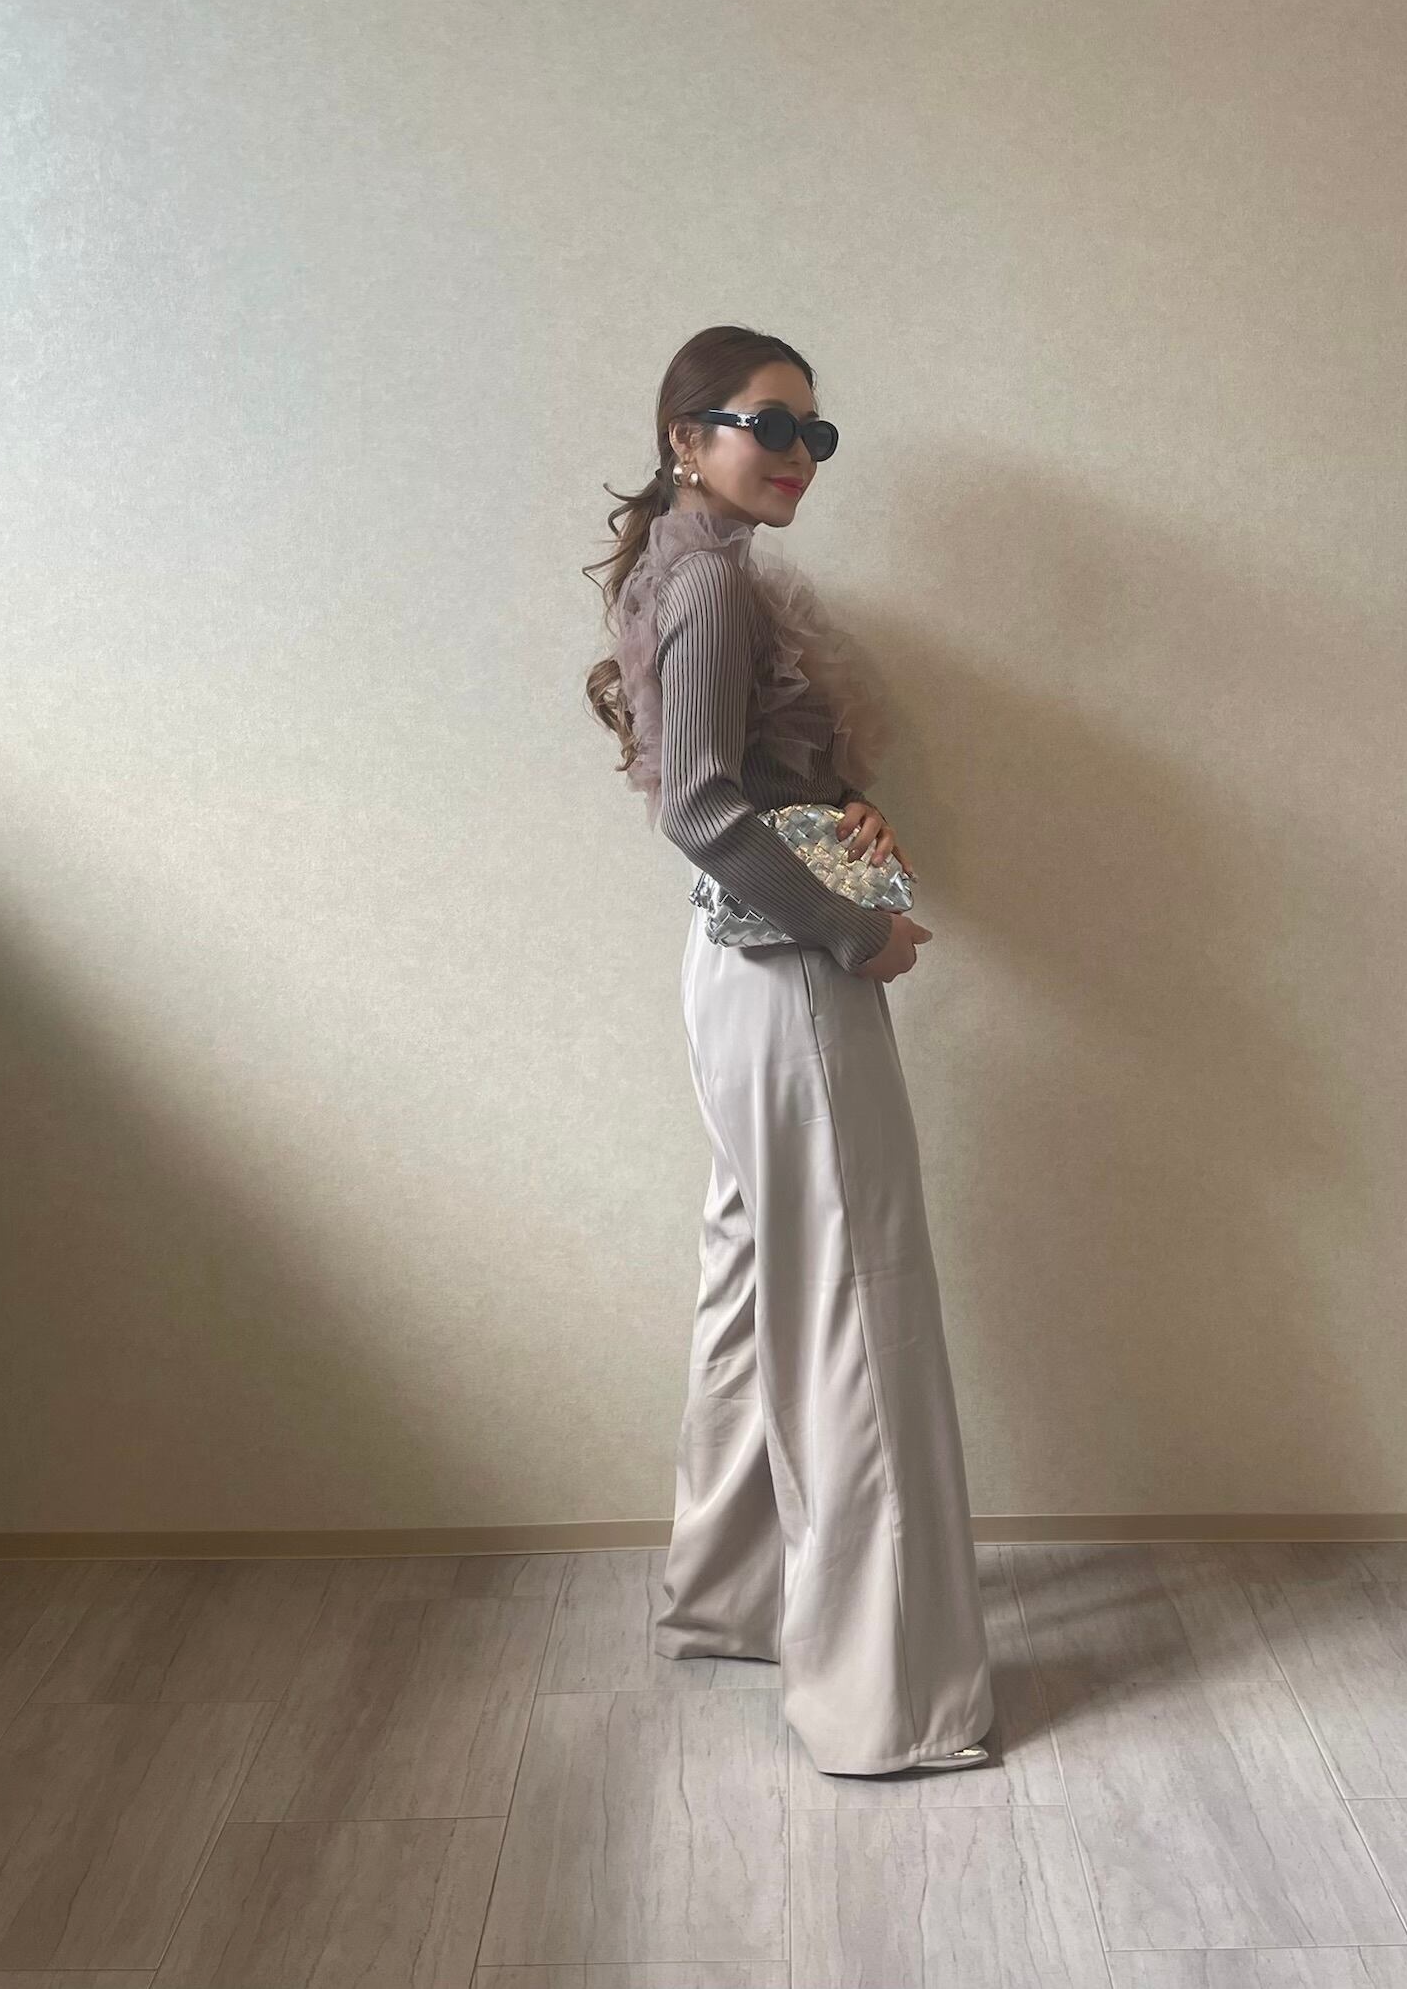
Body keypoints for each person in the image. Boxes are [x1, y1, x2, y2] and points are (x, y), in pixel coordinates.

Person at [584, 323, 994, 1776]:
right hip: (786, 974)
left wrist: (841, 810)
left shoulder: (699, 567)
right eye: (769, 424)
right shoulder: (709, 581)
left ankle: (737, 1596)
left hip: (740, 974)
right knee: (856, 1310)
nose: (798, 454)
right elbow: (701, 811)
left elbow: (747, 789)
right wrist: (853, 930)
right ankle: (884, 1698)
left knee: (762, 1280)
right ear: (686, 436)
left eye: (814, 433)